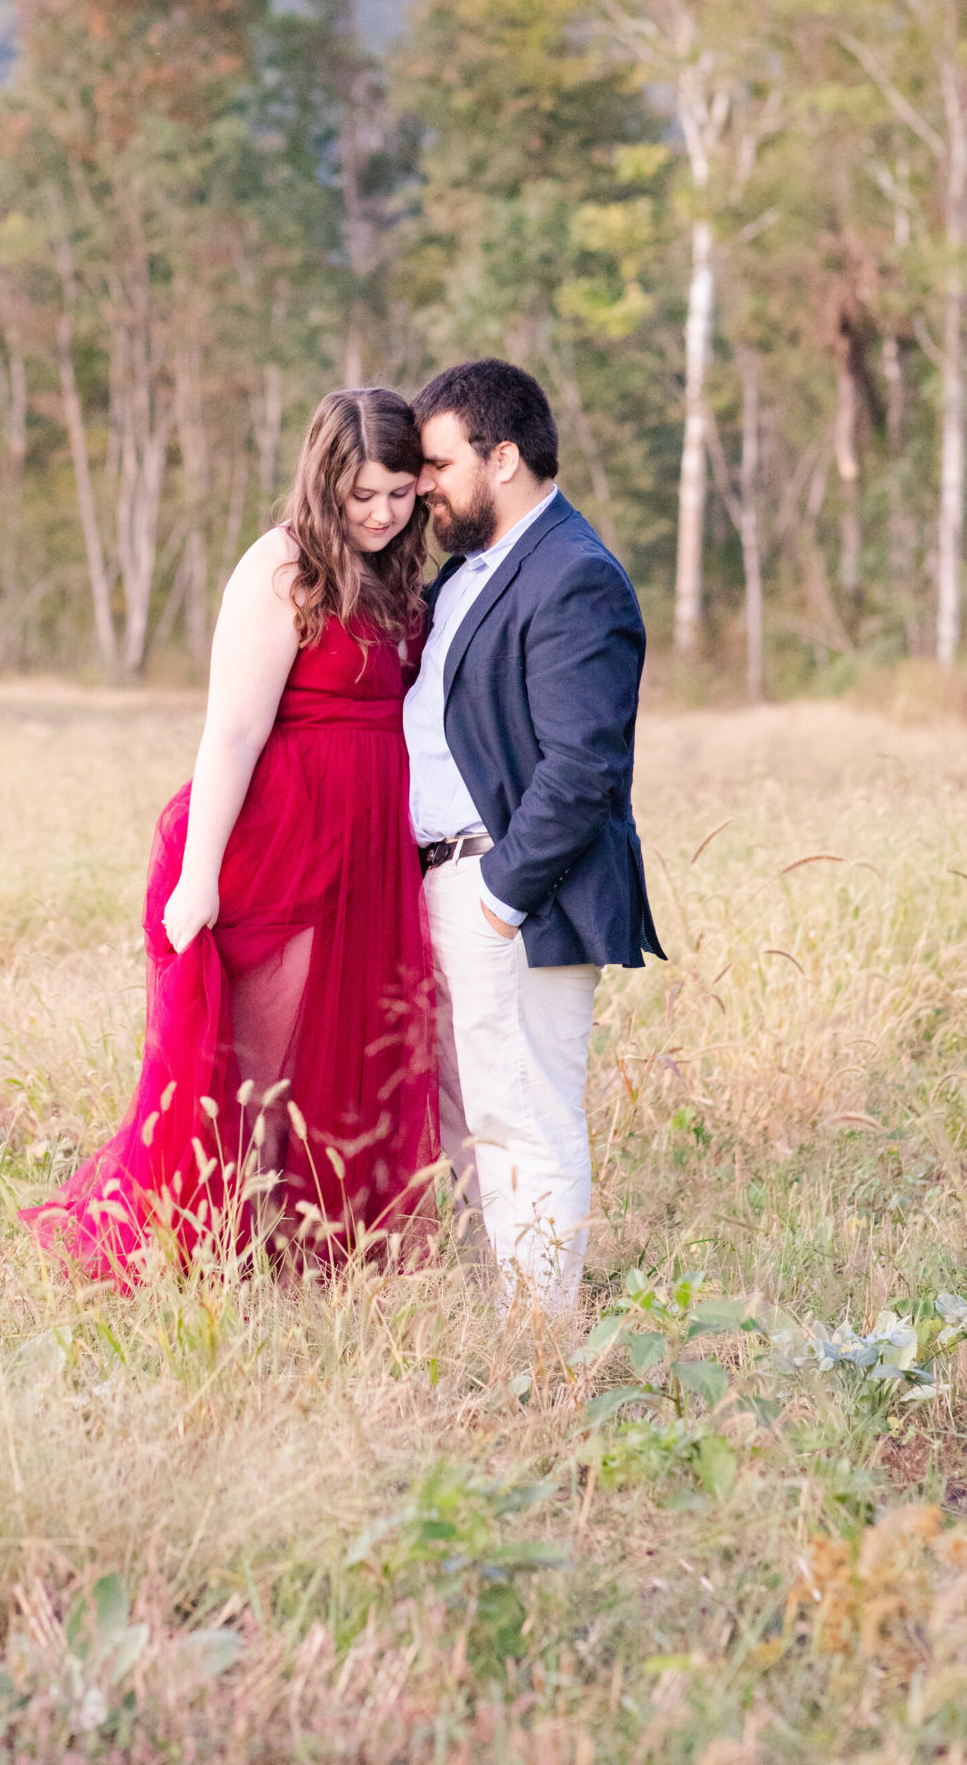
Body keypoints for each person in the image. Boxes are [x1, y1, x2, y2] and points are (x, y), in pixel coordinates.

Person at [24, 388, 439, 1284]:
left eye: (399, 493)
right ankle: (205, 1257)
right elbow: (233, 731)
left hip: (369, 848)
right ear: (324, 480)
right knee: (256, 1072)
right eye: (361, 494)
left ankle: (310, 1258)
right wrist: (198, 878)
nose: (379, 513)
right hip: (281, 839)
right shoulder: (282, 566)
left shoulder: (401, 573)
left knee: (346, 1059)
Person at [405, 358, 661, 1311]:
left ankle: (540, 1343)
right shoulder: (468, 572)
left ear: (500, 456)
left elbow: (582, 765)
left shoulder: (573, 574)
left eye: (437, 463)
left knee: (528, 1120)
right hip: (452, 881)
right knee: (479, 1124)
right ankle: (509, 1313)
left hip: (515, 898)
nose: (425, 484)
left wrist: (496, 899)